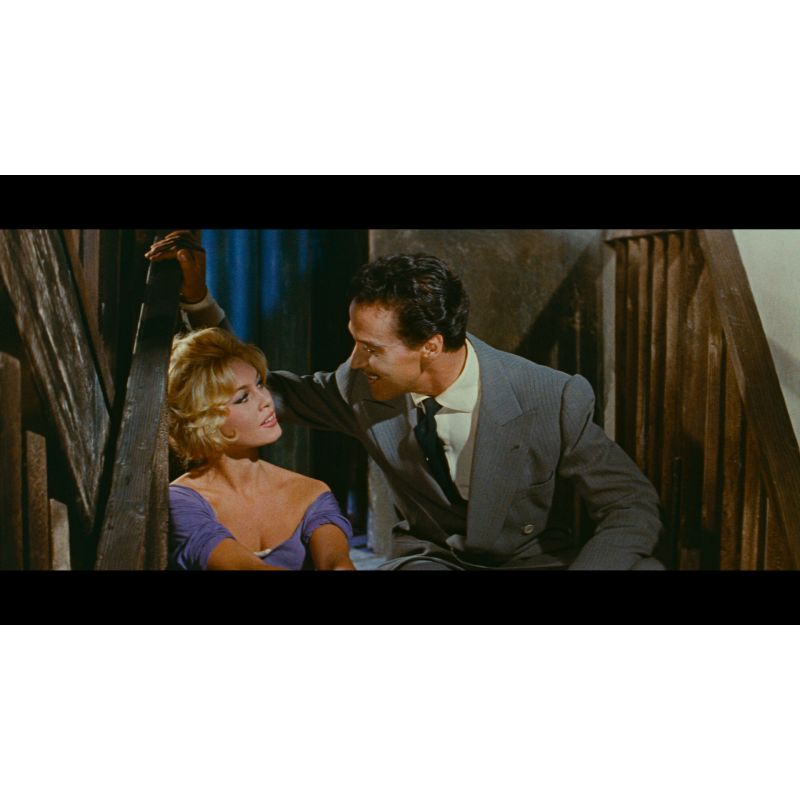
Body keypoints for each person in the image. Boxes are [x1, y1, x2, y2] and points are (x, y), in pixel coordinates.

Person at [148, 231, 665, 571]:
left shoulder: (550, 396)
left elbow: (631, 504)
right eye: (355, 342)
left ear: (430, 347)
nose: (355, 360)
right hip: (431, 563)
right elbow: (250, 389)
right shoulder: (359, 387)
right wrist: (198, 299)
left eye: (371, 348)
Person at [166, 324, 356, 571]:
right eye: (243, 398)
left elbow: (338, 564)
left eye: (260, 384)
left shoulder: (311, 492)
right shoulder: (181, 500)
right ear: (204, 419)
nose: (265, 400)